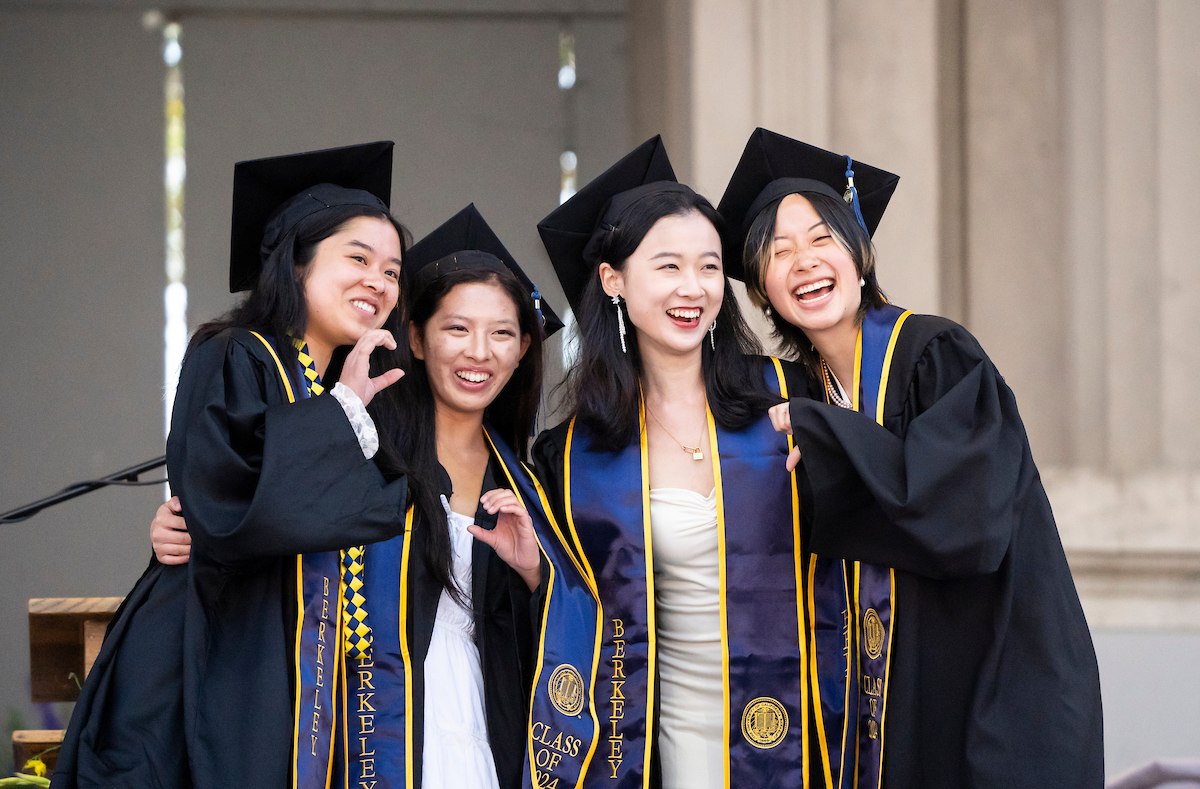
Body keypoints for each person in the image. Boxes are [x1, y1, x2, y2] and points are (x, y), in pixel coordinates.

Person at [718, 127, 1104, 789]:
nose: (803, 261)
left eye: (821, 239)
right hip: (893, 705)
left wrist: (830, 436)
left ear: (860, 255)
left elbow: (966, 520)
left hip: (1001, 691)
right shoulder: (797, 397)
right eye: (778, 253)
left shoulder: (936, 354)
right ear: (760, 291)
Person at [151, 204, 566, 789]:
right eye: (456, 328)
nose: (479, 352)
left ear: (523, 349)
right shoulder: (367, 448)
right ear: (414, 339)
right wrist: (181, 522)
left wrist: (534, 576)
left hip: (483, 721)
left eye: (502, 333)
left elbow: (573, 633)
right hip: (360, 731)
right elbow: (266, 508)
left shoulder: (533, 483)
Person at [53, 142, 414, 789]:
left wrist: (348, 409)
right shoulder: (232, 355)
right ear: (297, 266)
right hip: (208, 657)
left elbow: (380, 502)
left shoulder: (344, 391)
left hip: (277, 670)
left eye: (392, 270)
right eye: (357, 259)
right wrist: (344, 413)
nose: (379, 282)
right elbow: (237, 501)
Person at [526, 137, 815, 789]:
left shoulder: (789, 397)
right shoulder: (576, 455)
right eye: (668, 267)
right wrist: (532, 572)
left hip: (812, 725)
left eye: (709, 267)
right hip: (671, 741)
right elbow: (575, 620)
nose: (693, 288)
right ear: (614, 280)